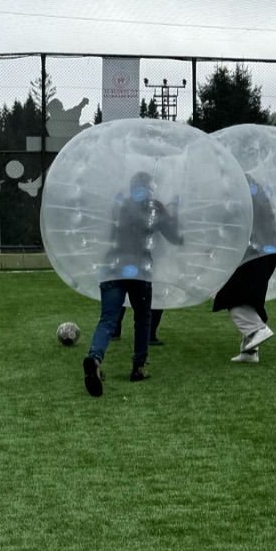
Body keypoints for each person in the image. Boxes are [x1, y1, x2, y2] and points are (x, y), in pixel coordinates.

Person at [82, 170, 182, 396]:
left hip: (113, 266)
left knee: (108, 319)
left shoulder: (120, 206)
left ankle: (95, 358)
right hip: (139, 269)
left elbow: (110, 235)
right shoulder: (154, 207)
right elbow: (175, 238)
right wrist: (175, 215)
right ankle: (138, 366)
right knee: (143, 318)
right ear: (150, 188)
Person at [213, 176, 276, 363]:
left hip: (253, 256)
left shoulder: (241, 202)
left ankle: (257, 330)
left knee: (230, 296)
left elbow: (231, 227)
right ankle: (250, 352)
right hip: (267, 253)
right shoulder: (261, 198)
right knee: (251, 299)